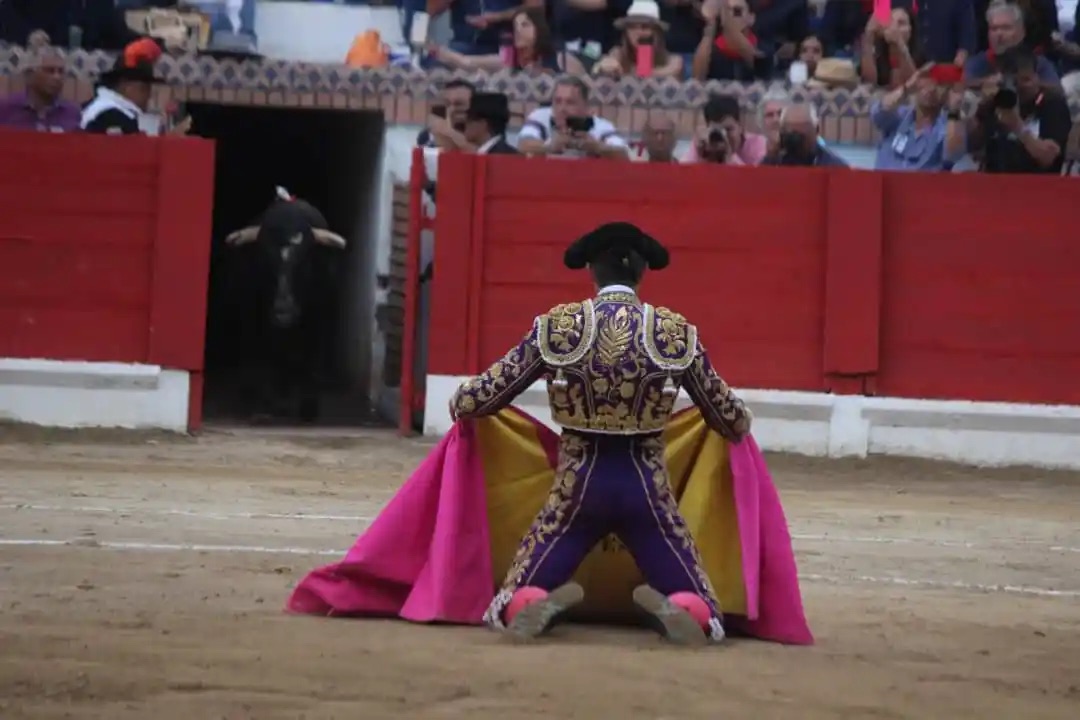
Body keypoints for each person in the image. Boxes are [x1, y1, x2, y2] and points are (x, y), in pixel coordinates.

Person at [445, 223, 753, 645]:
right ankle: (681, 613)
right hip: (647, 489)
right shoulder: (674, 334)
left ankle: (533, 604)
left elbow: (481, 398)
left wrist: (460, 400)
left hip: (577, 487)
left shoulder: (559, 327)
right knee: (700, 605)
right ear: (643, 271)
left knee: (514, 596)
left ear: (591, 270)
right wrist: (741, 421)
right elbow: (730, 418)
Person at [968, 44, 1071, 173]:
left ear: (1037, 77)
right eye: (1014, 82)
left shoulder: (1053, 105)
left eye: (1026, 80)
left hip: (1038, 185)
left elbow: (1048, 159)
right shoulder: (998, 102)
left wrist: (1018, 127)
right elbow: (973, 145)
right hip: (994, 182)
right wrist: (980, 107)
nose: (1020, 88)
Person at [81, 37, 190, 135]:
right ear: (127, 87)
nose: (149, 96)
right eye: (145, 89)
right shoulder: (110, 116)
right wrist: (171, 139)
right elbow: (132, 154)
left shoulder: (102, 108)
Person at [0, 46, 81, 132]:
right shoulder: (5, 109)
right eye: (49, 71)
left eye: (61, 72)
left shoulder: (71, 113)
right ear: (30, 75)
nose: (57, 77)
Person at [763, 102, 849, 166]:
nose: (796, 142)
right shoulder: (774, 162)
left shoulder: (834, 166)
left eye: (801, 135)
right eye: (791, 135)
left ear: (816, 131)